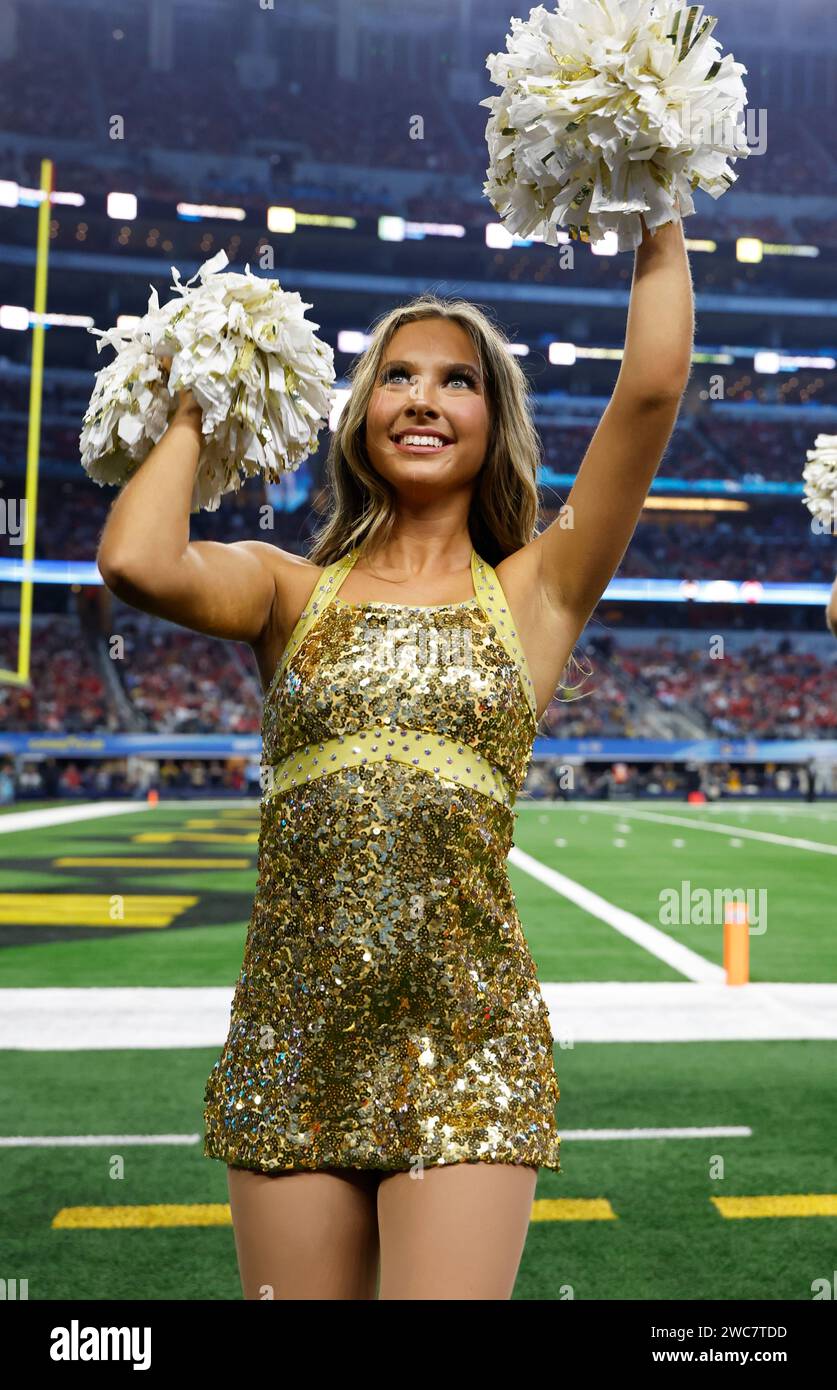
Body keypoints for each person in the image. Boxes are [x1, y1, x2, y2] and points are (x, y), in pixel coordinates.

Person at [95, 213, 694, 1299]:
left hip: (465, 1037)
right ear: (359, 413)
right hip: (294, 1030)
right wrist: (199, 393)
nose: (421, 397)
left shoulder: (536, 592)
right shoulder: (287, 590)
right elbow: (135, 560)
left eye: (456, 380)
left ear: (491, 418)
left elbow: (650, 392)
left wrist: (653, 195)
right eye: (395, 376)